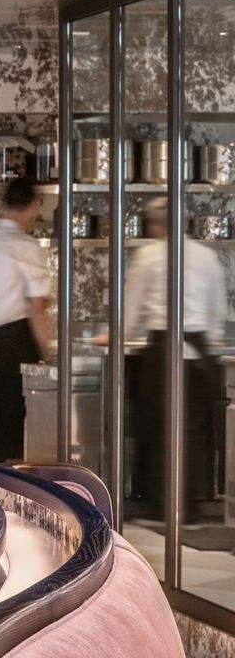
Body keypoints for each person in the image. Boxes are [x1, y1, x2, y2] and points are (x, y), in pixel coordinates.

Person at [119, 198, 228, 519]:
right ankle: (190, 506)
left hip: (162, 351)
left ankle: (163, 507)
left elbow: (131, 308)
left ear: (156, 225)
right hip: (198, 354)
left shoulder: (150, 255)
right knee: (194, 429)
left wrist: (117, 334)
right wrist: (209, 340)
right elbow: (218, 309)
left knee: (157, 427)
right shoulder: (207, 256)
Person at [0, 178, 54, 465]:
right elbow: (37, 307)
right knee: (14, 435)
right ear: (32, 206)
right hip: (15, 344)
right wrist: (47, 354)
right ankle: (10, 490)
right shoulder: (24, 246)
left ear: (3, 205)